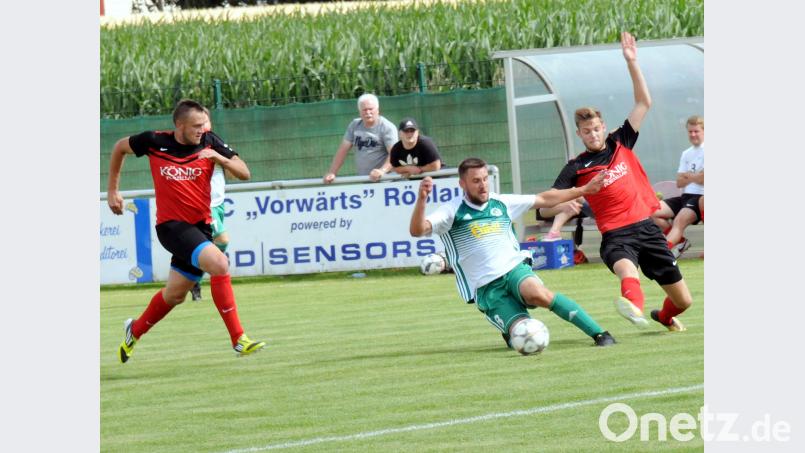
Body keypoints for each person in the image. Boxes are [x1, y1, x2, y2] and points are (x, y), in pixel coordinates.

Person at [549, 31, 693, 332]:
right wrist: (581, 191)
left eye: (597, 128)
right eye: (587, 131)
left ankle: (664, 316)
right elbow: (548, 200)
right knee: (628, 271)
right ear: (580, 134)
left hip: (646, 227)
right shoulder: (576, 166)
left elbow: (644, 101)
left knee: (684, 301)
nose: (593, 134)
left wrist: (632, 62)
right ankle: (633, 307)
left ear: (604, 127)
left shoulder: (620, 142)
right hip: (616, 234)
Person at [107, 99, 266, 363]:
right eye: (196, 126)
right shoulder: (153, 141)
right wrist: (113, 190)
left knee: (175, 295)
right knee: (219, 263)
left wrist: (218, 157)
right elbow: (119, 148)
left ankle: (133, 330)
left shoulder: (210, 141)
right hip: (171, 227)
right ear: (179, 125)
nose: (202, 130)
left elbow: (244, 172)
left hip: (200, 229)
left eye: (204, 124)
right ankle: (238, 339)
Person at [409, 157, 617, 350]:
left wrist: (584, 189)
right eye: (475, 181)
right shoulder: (452, 211)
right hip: (487, 287)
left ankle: (600, 334)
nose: (482, 185)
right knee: (522, 333)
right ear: (462, 184)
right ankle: (511, 330)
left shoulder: (501, 203)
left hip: (514, 269)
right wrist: (422, 200)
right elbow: (417, 230)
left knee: (539, 294)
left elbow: (545, 198)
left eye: (484, 179)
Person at [190, 114, 231, 301]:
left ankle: (192, 275)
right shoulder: (195, 147)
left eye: (206, 121)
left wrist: (223, 160)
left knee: (214, 244)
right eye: (199, 123)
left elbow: (232, 169)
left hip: (219, 203)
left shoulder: (214, 143)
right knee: (222, 240)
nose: (203, 126)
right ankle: (196, 275)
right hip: (207, 205)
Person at [651, 115, 705, 258]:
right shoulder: (686, 153)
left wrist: (688, 176)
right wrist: (695, 177)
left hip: (699, 199)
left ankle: (663, 255)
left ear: (704, 131)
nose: (693, 134)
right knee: (650, 211)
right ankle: (680, 242)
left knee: (678, 222)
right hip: (684, 197)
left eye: (696, 131)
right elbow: (680, 182)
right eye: (690, 131)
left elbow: (704, 179)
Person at [323, 93, 398, 184]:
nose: (368, 113)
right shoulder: (354, 125)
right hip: (365, 181)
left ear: (378, 110)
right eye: (364, 110)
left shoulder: (387, 127)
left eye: (371, 109)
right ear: (359, 111)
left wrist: (382, 171)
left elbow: (394, 154)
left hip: (386, 181)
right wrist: (332, 172)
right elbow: (343, 150)